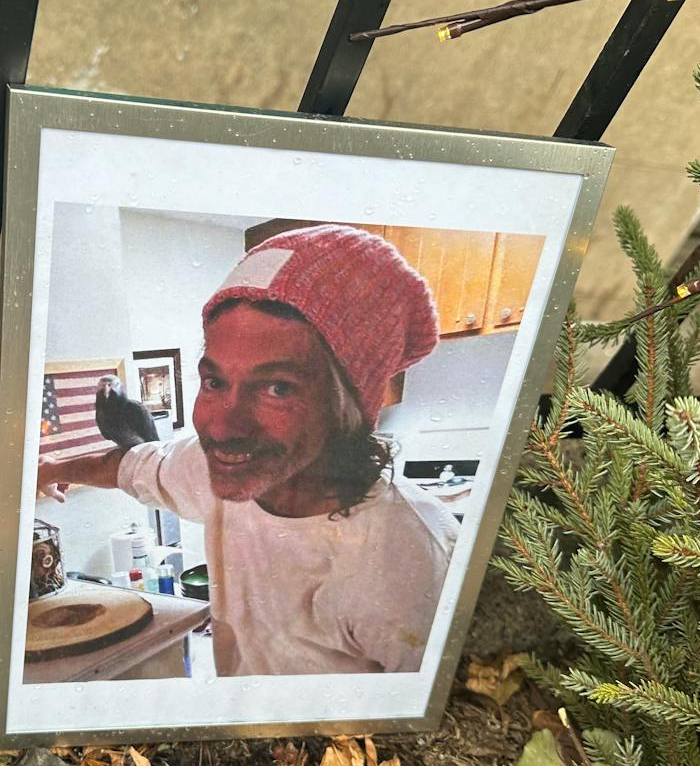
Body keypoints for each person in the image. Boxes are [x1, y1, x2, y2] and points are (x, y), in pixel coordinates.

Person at [37, 224, 460, 676]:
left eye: (278, 387)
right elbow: (135, 466)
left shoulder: (409, 563)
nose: (222, 425)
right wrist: (55, 468)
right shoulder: (213, 470)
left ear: (350, 406)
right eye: (215, 381)